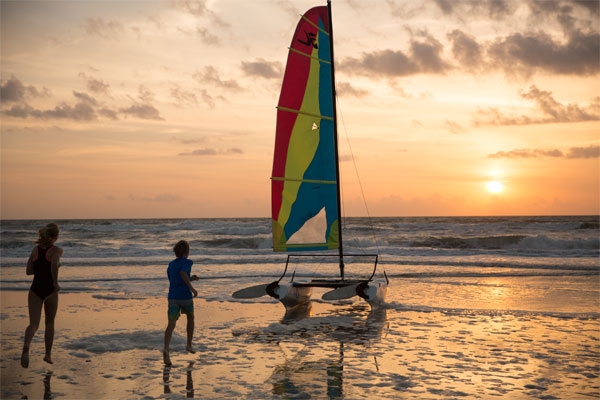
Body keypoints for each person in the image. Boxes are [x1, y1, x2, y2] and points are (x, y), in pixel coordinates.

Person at [21, 223, 63, 368]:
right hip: (50, 290)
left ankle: (26, 346)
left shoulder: (35, 250)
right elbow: (54, 264)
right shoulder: (57, 250)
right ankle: (47, 355)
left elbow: (28, 271)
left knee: (33, 324)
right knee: (49, 323)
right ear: (56, 236)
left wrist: (40, 269)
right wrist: (55, 282)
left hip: (35, 289)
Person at [163, 240, 199, 366]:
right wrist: (192, 288)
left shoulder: (171, 264)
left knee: (171, 324)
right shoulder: (188, 262)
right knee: (190, 318)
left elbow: (175, 279)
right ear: (186, 252)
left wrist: (191, 279)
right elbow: (183, 273)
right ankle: (189, 344)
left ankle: (166, 349)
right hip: (185, 296)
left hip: (172, 296)